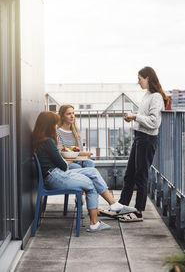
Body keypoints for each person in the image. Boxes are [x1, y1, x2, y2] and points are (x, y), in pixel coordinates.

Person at [32, 111, 136, 232]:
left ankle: (113, 204)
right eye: (55, 124)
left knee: (92, 171)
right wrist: (70, 158)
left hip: (54, 175)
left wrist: (66, 158)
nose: (56, 127)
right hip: (55, 177)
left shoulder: (40, 139)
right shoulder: (48, 141)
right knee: (90, 185)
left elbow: (59, 163)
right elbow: (63, 165)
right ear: (49, 125)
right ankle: (94, 223)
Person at [118, 66, 169, 222]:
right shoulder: (148, 95)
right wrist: (134, 117)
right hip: (140, 137)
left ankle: (139, 211)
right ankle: (122, 206)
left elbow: (154, 123)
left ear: (148, 78)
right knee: (130, 174)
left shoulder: (156, 97)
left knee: (141, 175)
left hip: (147, 139)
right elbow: (143, 118)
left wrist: (135, 116)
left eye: (140, 78)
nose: (138, 82)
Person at [57, 104, 94, 170]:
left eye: (73, 113)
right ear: (62, 117)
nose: (72, 116)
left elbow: (80, 149)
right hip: (66, 161)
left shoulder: (76, 131)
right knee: (77, 167)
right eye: (69, 114)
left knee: (90, 163)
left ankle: (87, 180)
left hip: (78, 160)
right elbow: (60, 152)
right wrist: (83, 153)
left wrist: (82, 154)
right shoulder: (58, 132)